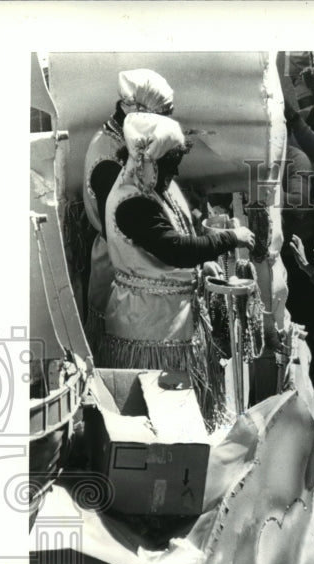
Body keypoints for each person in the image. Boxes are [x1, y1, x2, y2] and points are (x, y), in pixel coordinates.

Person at [97, 113, 254, 429]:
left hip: (164, 319)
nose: (177, 170)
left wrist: (202, 265)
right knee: (162, 416)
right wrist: (228, 238)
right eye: (171, 163)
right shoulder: (132, 202)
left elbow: (166, 249)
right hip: (150, 327)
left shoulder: (147, 187)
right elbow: (175, 249)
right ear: (150, 160)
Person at [82, 69, 174, 354]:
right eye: (162, 115)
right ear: (137, 111)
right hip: (119, 276)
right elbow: (126, 230)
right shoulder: (108, 159)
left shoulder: (127, 139)